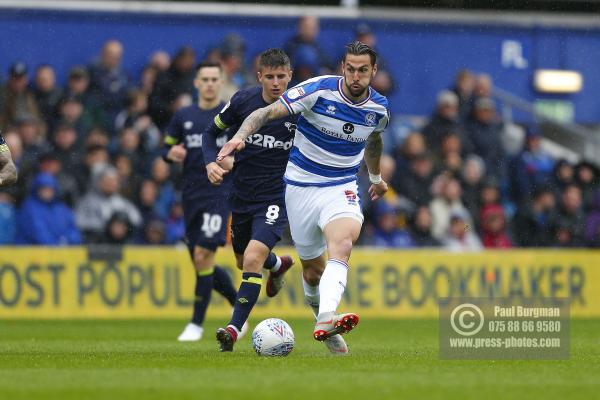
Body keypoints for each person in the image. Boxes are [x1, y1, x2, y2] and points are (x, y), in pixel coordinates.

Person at [217, 42, 389, 352]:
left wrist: (375, 178)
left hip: (342, 187)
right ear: (342, 67)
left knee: (343, 244)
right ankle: (322, 319)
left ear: (373, 71)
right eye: (350, 69)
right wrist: (240, 136)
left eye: (363, 70)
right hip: (300, 188)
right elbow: (267, 111)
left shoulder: (379, 108)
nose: (355, 76)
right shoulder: (317, 90)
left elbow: (374, 140)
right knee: (313, 270)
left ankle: (326, 317)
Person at [204, 49, 299, 352]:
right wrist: (211, 163)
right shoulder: (243, 101)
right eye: (269, 77)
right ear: (259, 76)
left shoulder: (301, 108)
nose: (275, 83)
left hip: (276, 197)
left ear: (290, 76)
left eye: (280, 77)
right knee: (241, 258)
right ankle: (278, 264)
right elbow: (210, 134)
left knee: (252, 258)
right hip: (241, 195)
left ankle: (233, 329)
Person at [161, 61, 245, 342]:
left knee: (202, 256)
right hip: (191, 194)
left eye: (214, 79)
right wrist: (169, 154)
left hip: (218, 193)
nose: (209, 84)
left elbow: (244, 149)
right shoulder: (183, 115)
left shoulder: (229, 116)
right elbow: (167, 145)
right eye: (204, 79)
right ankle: (239, 306)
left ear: (221, 83)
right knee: (201, 262)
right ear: (196, 83)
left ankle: (196, 324)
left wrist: (234, 160)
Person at [15, 172, 81, 245]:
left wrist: (68, 240)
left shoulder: (62, 208)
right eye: (44, 189)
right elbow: (37, 233)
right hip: (32, 252)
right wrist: (57, 244)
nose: (47, 192)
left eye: (50, 189)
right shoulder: (29, 207)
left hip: (57, 251)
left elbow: (73, 230)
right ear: (37, 190)